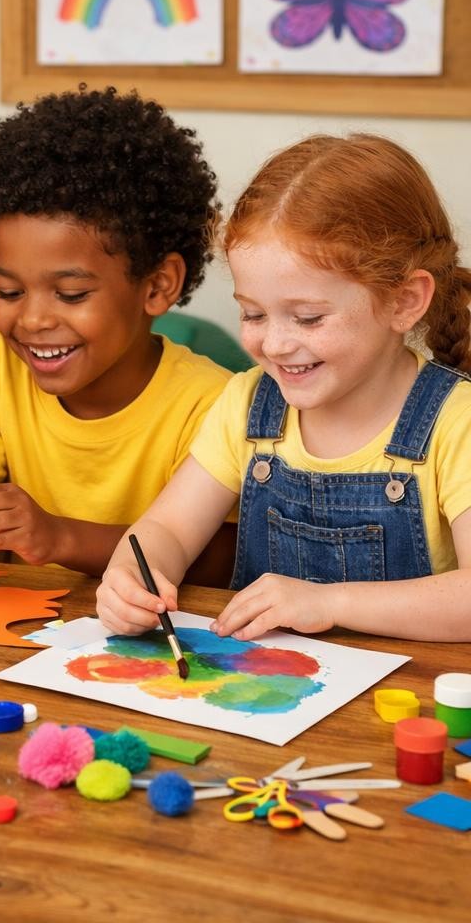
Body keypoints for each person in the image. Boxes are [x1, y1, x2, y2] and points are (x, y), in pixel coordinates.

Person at [97, 133, 471, 643]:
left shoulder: (456, 421)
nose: (274, 343)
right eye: (253, 312)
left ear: (404, 302)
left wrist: (327, 602)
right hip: (264, 696)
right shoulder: (248, 403)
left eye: (309, 318)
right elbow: (166, 531)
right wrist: (128, 578)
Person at [0, 87, 232, 577]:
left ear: (157, 286)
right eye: (9, 292)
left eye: (71, 295)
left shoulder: (212, 404)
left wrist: (59, 537)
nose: (31, 320)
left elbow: (218, 560)